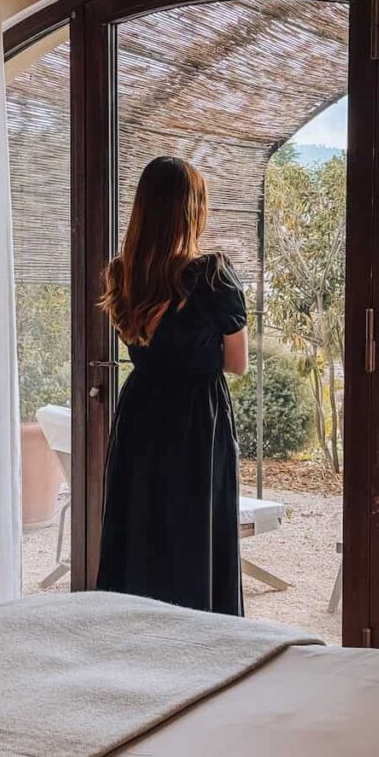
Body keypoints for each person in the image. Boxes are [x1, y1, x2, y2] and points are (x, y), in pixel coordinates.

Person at [96, 156, 248, 615]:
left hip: (141, 412)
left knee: (141, 522)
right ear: (190, 210)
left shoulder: (122, 274)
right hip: (196, 417)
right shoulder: (212, 275)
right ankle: (203, 632)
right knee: (195, 528)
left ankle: (136, 630)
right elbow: (237, 363)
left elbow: (141, 342)